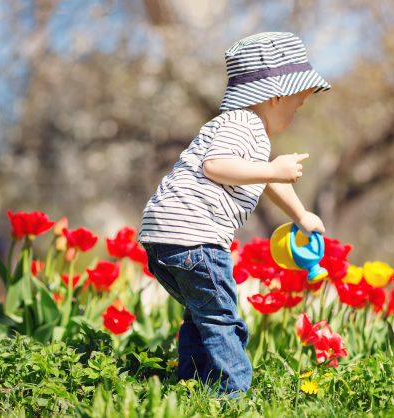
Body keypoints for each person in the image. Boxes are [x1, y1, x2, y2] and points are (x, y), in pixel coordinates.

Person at [137, 32, 329, 396]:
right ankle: (233, 397)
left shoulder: (240, 128)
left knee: (201, 317)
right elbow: (217, 165)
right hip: (195, 239)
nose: (297, 112)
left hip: (164, 239)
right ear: (275, 97)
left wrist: (302, 215)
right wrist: (274, 170)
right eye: (297, 104)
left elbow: (265, 178)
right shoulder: (243, 125)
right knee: (223, 320)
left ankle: (193, 385)